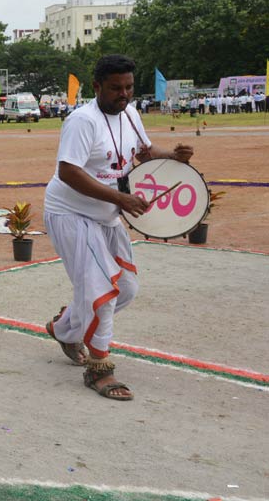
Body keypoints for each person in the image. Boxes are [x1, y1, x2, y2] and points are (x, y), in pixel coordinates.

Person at [43, 54, 194, 401]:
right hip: (71, 214)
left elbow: (142, 152)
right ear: (96, 87)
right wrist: (121, 198)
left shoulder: (130, 113)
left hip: (107, 215)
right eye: (115, 88)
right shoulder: (82, 121)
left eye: (128, 87)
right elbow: (68, 172)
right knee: (102, 295)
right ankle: (100, 369)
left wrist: (172, 156)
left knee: (125, 289)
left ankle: (65, 328)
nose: (123, 94)